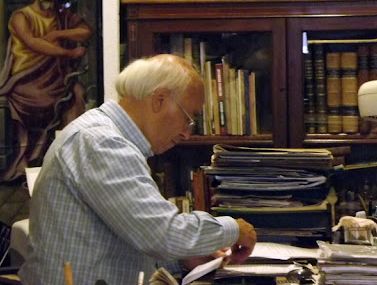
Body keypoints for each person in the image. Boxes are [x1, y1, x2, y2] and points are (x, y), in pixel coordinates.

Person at [19, 54, 257, 285]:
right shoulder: (102, 142)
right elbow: (162, 234)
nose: (186, 133)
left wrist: (183, 260)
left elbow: (126, 242)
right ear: (160, 99)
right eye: (188, 117)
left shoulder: (104, 136)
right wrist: (234, 229)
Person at [0, 0, 92, 182]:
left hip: (57, 76)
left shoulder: (62, 17)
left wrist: (58, 33)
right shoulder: (21, 16)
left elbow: (85, 31)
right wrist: (69, 52)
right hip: (26, 78)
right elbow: (34, 43)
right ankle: (28, 162)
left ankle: (68, 161)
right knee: (44, 100)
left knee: (77, 94)